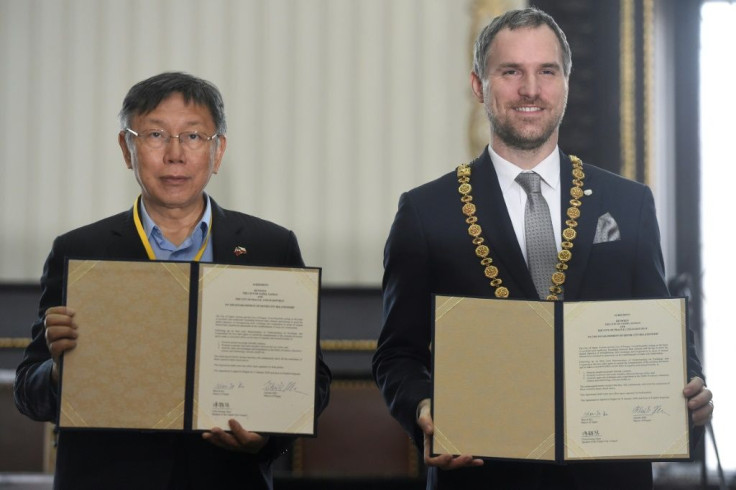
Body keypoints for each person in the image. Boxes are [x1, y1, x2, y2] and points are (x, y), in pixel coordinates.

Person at [372, 8, 713, 490]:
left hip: (609, 477)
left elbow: (660, 333)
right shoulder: (427, 213)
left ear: (566, 83)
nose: (530, 89)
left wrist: (692, 387)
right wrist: (424, 408)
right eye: (511, 71)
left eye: (546, 71)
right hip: (482, 476)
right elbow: (396, 356)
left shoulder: (629, 203)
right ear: (478, 85)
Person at [14, 72, 331, 490]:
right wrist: (59, 370)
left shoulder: (271, 246)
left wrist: (266, 439)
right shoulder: (80, 252)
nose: (175, 154)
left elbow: (313, 381)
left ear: (218, 152)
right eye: (155, 135)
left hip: (227, 478)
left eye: (194, 137)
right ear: (127, 149)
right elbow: (28, 392)